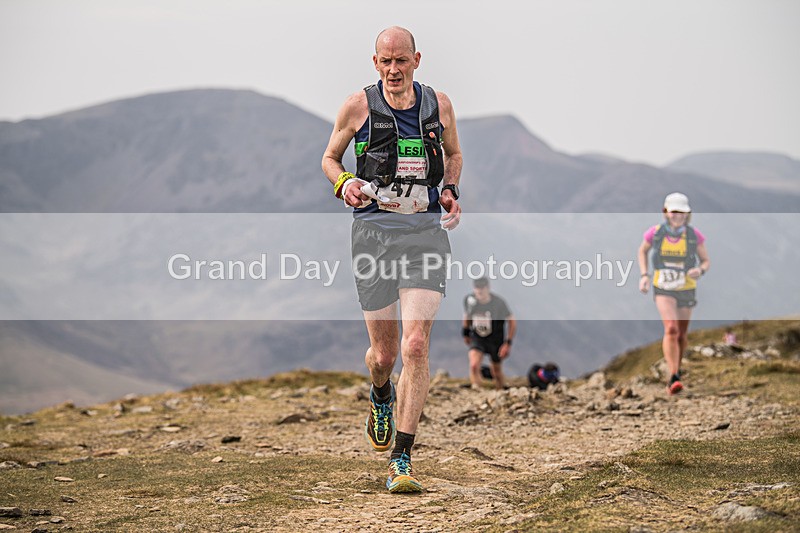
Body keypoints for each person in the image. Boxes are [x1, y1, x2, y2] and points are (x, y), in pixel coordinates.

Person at [321, 26, 463, 493]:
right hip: (373, 237)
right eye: (386, 61)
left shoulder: (438, 105)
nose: (394, 70)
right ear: (375, 62)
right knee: (383, 355)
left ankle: (401, 458)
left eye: (402, 60)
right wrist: (344, 185)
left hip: (424, 234)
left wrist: (449, 190)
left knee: (415, 347)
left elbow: (454, 153)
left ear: (416, 60)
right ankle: (380, 391)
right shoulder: (357, 106)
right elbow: (330, 158)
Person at [638, 192, 710, 395]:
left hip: (686, 288)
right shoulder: (655, 233)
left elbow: (705, 260)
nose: (678, 216)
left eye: (682, 212)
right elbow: (642, 251)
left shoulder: (694, 236)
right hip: (663, 287)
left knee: (682, 334)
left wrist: (700, 270)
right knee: (671, 329)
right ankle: (674, 375)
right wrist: (644, 275)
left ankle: (677, 368)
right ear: (666, 212)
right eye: (675, 212)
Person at [462, 277, 516, 390]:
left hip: (495, 339)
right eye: (477, 288)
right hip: (478, 337)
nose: (479, 291)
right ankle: (476, 389)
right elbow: (467, 315)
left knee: (496, 370)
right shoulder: (470, 300)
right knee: (474, 365)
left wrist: (508, 342)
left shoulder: (499, 303)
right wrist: (465, 332)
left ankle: (500, 391)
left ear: (488, 288)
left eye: (482, 288)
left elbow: (512, 321)